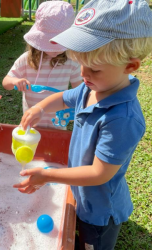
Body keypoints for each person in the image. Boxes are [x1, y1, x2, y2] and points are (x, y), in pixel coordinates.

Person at [13, 0, 152, 249]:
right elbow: (64, 97)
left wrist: (46, 175)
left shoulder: (122, 118)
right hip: (82, 194)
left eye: (95, 69)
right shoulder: (90, 88)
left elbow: (99, 173)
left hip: (99, 210)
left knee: (92, 242)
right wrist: (40, 107)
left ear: (130, 66)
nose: (84, 74)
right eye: (81, 64)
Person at [2, 1, 82, 129]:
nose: (56, 50)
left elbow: (80, 90)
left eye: (60, 45)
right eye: (50, 44)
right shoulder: (26, 60)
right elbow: (6, 83)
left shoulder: (71, 61)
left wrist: (76, 107)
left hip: (58, 124)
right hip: (31, 123)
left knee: (53, 148)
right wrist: (15, 81)